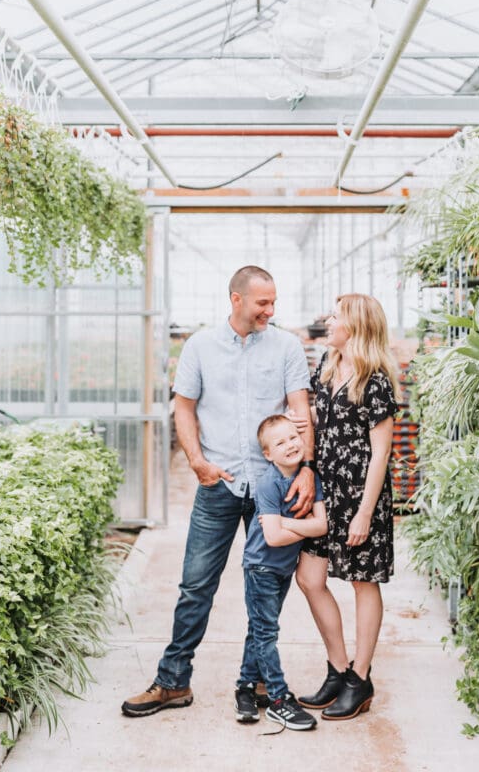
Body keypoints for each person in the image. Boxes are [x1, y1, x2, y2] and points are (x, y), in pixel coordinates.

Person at [121, 266, 315, 719]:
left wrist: (305, 467)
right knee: (195, 586)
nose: (271, 310)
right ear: (236, 299)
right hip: (220, 483)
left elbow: (301, 412)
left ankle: (256, 680)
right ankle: (172, 682)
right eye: (262, 302)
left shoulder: (286, 346)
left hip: (272, 487)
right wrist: (196, 461)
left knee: (267, 587)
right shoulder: (201, 347)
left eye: (274, 302)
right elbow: (183, 407)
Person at [295, 294, 399, 721]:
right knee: (309, 577)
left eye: (336, 316)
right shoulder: (326, 363)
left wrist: (364, 513)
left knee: (362, 582)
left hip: (361, 497)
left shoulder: (376, 381)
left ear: (355, 325)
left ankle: (360, 677)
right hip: (327, 492)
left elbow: (381, 454)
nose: (329, 320)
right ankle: (338, 668)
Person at [237, 414, 327, 732]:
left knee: (260, 629)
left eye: (293, 437)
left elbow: (322, 525)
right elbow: (272, 539)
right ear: (267, 454)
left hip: (283, 569)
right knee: (266, 633)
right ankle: (277, 699)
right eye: (280, 442)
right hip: (261, 567)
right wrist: (299, 528)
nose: (290, 445)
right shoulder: (268, 483)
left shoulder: (310, 480)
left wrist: (287, 523)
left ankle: (245, 688)